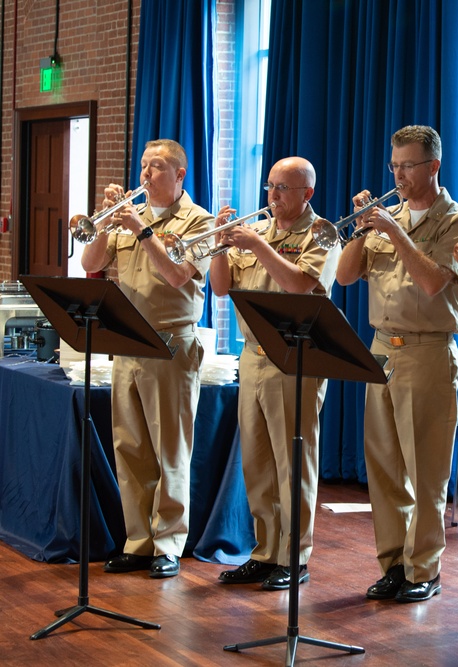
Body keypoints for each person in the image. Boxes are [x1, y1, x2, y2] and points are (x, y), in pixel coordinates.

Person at [336, 125, 458, 603]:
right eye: (393, 166)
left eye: (407, 166)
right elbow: (345, 275)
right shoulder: (385, 215)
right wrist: (362, 227)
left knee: (425, 468)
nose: (398, 175)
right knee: (385, 469)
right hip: (381, 349)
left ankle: (424, 570)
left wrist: (395, 232)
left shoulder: (456, 221)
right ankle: (393, 562)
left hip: (427, 351)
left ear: (433, 166)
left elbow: (435, 283)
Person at [81, 139, 214, 578]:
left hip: (172, 342)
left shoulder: (200, 221)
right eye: (143, 166)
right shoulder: (125, 219)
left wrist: (142, 229)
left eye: (155, 167)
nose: (144, 175)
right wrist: (105, 223)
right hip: (128, 341)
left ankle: (169, 544)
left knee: (170, 449)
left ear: (180, 174)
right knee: (131, 448)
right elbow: (90, 262)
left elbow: (178, 276)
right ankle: (138, 541)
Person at [209, 157, 339, 591]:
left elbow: (300, 285)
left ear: (307, 193)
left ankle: (294, 556)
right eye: (270, 187)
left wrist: (258, 247)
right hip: (253, 355)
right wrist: (222, 246)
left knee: (293, 463)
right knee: (258, 463)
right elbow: (222, 288)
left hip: (295, 358)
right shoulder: (259, 231)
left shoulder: (321, 233)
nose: (273, 196)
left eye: (283, 188)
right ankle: (265, 552)